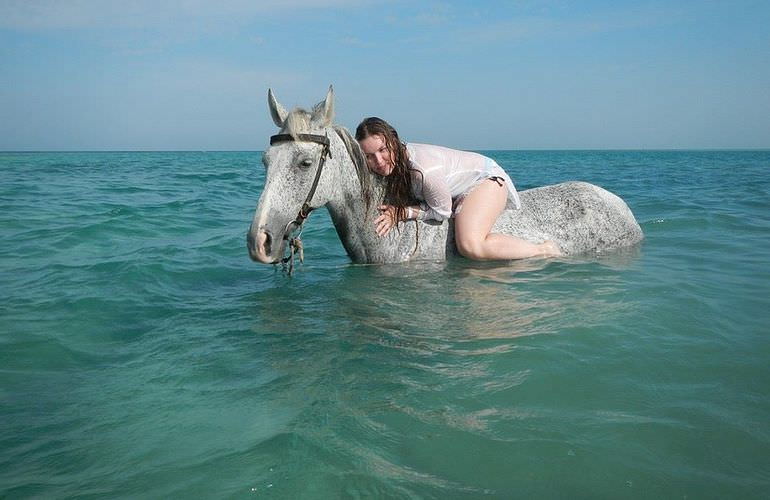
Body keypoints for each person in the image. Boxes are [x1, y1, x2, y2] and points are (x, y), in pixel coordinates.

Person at [355, 117, 561, 260]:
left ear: (394, 141)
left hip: (484, 180)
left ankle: (542, 249)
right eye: (370, 156)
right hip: (455, 187)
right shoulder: (392, 167)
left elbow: (443, 212)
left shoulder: (424, 169)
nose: (379, 161)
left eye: (383, 150)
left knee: (470, 246)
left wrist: (402, 212)